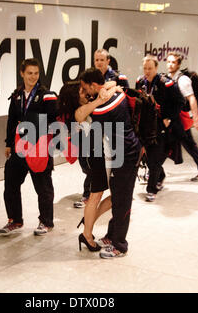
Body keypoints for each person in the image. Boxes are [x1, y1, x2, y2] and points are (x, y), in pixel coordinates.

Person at [79, 68, 141, 258]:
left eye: (84, 88)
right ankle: (112, 235)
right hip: (122, 153)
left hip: (126, 155)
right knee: (117, 196)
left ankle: (120, 245)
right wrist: (110, 88)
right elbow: (116, 86)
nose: (84, 92)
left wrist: (99, 98)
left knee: (122, 201)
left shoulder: (104, 106)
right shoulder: (118, 94)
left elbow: (80, 116)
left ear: (93, 85)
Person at [0, 58, 58, 236]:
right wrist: (9, 143)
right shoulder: (16, 95)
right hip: (19, 147)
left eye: (36, 73)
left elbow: (52, 121)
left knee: (43, 186)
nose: (33, 77)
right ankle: (15, 220)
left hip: (39, 147)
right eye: (29, 73)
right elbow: (11, 121)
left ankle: (46, 222)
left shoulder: (47, 95)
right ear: (22, 73)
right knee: (11, 183)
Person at [57, 81, 118, 252]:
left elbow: (112, 83)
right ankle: (87, 234)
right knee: (95, 196)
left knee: (112, 195)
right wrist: (101, 97)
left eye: (85, 89)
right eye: (81, 91)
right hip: (92, 157)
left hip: (100, 155)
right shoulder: (78, 113)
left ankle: (88, 223)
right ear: (73, 97)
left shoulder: (86, 106)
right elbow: (88, 111)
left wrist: (109, 88)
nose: (85, 93)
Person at [73, 50, 130, 208]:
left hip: (111, 130)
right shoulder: (89, 78)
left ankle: (96, 195)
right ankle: (95, 193)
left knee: (103, 163)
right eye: (96, 59)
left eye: (101, 59)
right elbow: (81, 99)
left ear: (108, 60)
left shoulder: (118, 77)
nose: (98, 62)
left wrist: (110, 87)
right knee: (86, 161)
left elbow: (123, 93)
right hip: (90, 124)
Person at [136, 55, 185, 201]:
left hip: (162, 127)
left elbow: (180, 102)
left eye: (150, 68)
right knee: (148, 157)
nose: (147, 71)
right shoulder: (140, 82)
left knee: (155, 159)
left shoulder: (166, 83)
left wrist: (168, 117)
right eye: (145, 68)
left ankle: (151, 190)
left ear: (156, 68)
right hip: (146, 126)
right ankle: (160, 176)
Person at [166, 52, 198, 182]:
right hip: (172, 118)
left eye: (173, 62)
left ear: (178, 64)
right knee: (174, 145)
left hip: (180, 119)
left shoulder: (183, 80)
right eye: (168, 61)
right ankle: (156, 174)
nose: (170, 64)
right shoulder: (168, 78)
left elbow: (191, 99)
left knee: (188, 145)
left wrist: (196, 119)